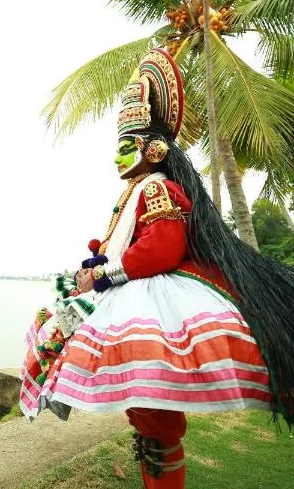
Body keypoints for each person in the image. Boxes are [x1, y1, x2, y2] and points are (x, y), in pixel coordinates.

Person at [19, 48, 294, 489]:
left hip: (155, 296)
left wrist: (107, 275)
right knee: (147, 409)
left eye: (126, 146)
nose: (117, 157)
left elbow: (162, 247)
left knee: (153, 406)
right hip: (141, 292)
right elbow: (119, 245)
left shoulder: (158, 188)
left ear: (153, 148)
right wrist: (92, 268)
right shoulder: (141, 190)